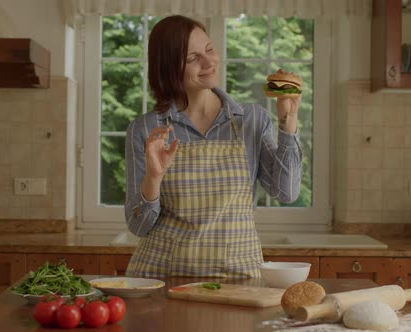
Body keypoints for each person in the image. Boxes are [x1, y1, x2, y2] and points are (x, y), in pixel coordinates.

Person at [124, 15, 303, 278]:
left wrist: (288, 123)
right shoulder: (146, 130)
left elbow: (286, 192)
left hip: (238, 280)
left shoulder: (251, 120)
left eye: (209, 50)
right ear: (170, 68)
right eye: (192, 58)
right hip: (164, 278)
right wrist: (154, 178)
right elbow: (139, 226)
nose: (210, 63)